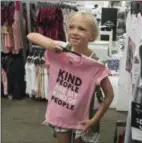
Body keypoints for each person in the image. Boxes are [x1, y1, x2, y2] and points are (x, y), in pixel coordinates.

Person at [27, 11, 114, 143]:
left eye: (82, 29)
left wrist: (94, 120)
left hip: (84, 116)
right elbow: (31, 35)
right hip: (61, 113)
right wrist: (49, 44)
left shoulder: (95, 64)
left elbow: (109, 95)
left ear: (92, 36)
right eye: (71, 27)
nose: (74, 32)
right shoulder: (60, 49)